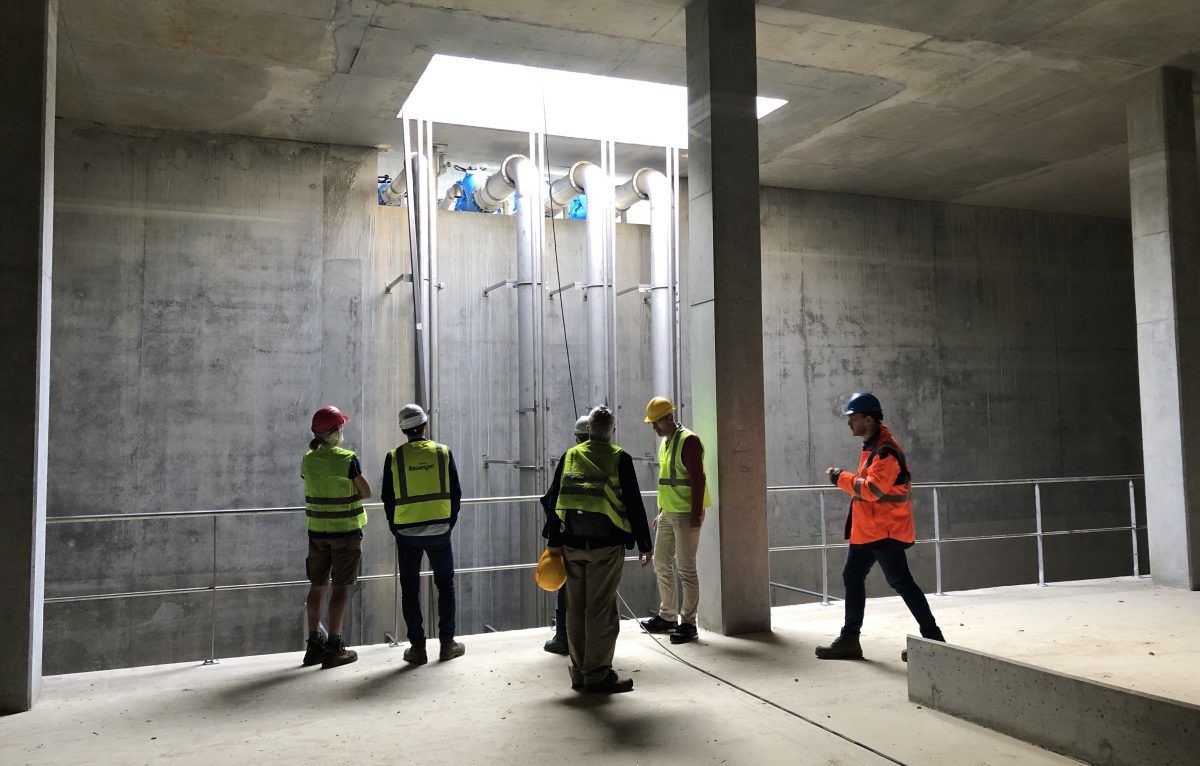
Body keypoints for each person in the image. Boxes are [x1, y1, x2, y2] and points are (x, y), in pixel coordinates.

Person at [816, 392, 945, 661]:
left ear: (869, 419)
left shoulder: (886, 452)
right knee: (852, 577)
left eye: (852, 418)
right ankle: (850, 639)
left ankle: (934, 642)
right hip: (869, 530)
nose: (849, 423)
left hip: (885, 530)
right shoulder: (873, 446)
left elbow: (873, 489)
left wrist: (840, 477)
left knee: (901, 582)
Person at [544, 406, 653, 693]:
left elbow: (555, 503)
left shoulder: (569, 456)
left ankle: (580, 671)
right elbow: (633, 503)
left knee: (576, 608)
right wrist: (645, 544)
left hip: (571, 545)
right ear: (612, 431)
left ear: (588, 431)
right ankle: (597, 674)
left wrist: (553, 544)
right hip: (605, 547)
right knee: (600, 610)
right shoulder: (619, 458)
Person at [382, 403, 465, 664]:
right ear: (425, 425)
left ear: (403, 430)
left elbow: (387, 497)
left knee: (410, 589)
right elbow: (456, 493)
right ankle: (447, 644)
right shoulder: (443, 453)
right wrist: (448, 522)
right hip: (440, 529)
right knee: (445, 586)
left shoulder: (394, 457)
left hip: (407, 532)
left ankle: (418, 648)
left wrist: (396, 526)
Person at [301, 405, 372, 669]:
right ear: (334, 432)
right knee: (340, 586)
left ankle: (313, 647)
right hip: (346, 532)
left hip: (317, 532)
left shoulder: (308, 458)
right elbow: (367, 492)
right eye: (340, 427)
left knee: (317, 586)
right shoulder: (347, 458)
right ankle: (334, 646)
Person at [639, 396, 710, 644]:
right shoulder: (667, 442)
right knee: (661, 562)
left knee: (686, 569)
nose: (654, 427)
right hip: (669, 512)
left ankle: (688, 623)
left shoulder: (688, 441)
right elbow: (667, 482)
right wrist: (661, 512)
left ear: (669, 417)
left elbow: (698, 480)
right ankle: (668, 616)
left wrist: (696, 514)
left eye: (656, 422)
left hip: (685, 513)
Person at [539, 414, 592, 656]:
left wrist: (553, 539)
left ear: (577, 437)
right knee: (597, 590)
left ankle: (563, 638)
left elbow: (553, 499)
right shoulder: (612, 458)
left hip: (570, 535)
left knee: (567, 587)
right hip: (602, 540)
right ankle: (592, 639)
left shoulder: (569, 458)